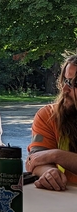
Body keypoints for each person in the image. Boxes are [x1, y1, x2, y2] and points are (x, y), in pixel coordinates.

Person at [26, 54, 77, 191]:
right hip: (63, 198)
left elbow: (45, 156)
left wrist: (57, 155)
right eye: (66, 81)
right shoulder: (48, 116)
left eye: (75, 84)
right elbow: (36, 159)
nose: (66, 89)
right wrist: (48, 172)